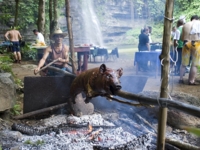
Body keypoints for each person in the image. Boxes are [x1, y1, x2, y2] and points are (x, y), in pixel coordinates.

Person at [179, 15, 199, 85]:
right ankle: (191, 81)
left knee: (183, 63)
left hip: (186, 43)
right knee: (194, 64)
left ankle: (181, 79)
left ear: (191, 19)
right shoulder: (199, 23)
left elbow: (182, 38)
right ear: (197, 19)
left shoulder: (185, 25)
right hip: (197, 43)